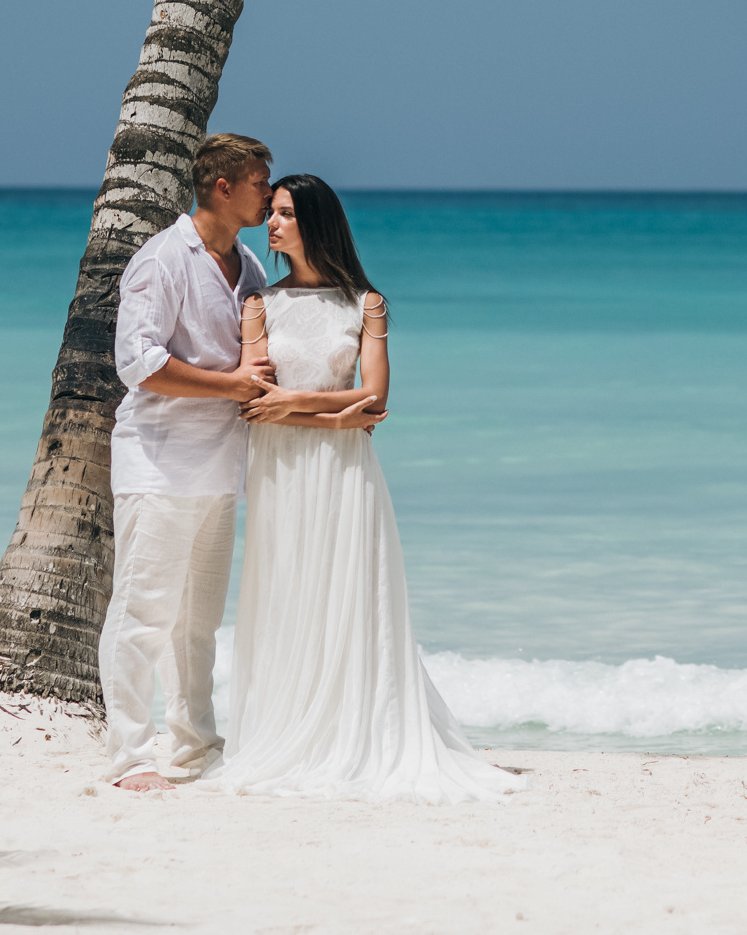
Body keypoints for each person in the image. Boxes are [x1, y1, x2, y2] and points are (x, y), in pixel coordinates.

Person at [209, 173, 520, 801]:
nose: (271, 224)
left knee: (350, 590)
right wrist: (331, 416)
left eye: (286, 213)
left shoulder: (365, 303)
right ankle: (289, 729)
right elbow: (255, 406)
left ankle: (356, 731)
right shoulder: (258, 305)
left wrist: (303, 402)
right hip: (282, 468)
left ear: (316, 221)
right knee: (289, 588)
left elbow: (376, 397)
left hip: (347, 472)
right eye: (270, 212)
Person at [100, 132, 275, 792]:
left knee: (198, 622)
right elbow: (137, 362)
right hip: (159, 463)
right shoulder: (163, 259)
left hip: (222, 467)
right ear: (222, 187)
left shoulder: (250, 268)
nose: (268, 191)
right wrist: (231, 384)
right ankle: (129, 757)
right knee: (143, 613)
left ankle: (196, 745)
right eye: (259, 180)